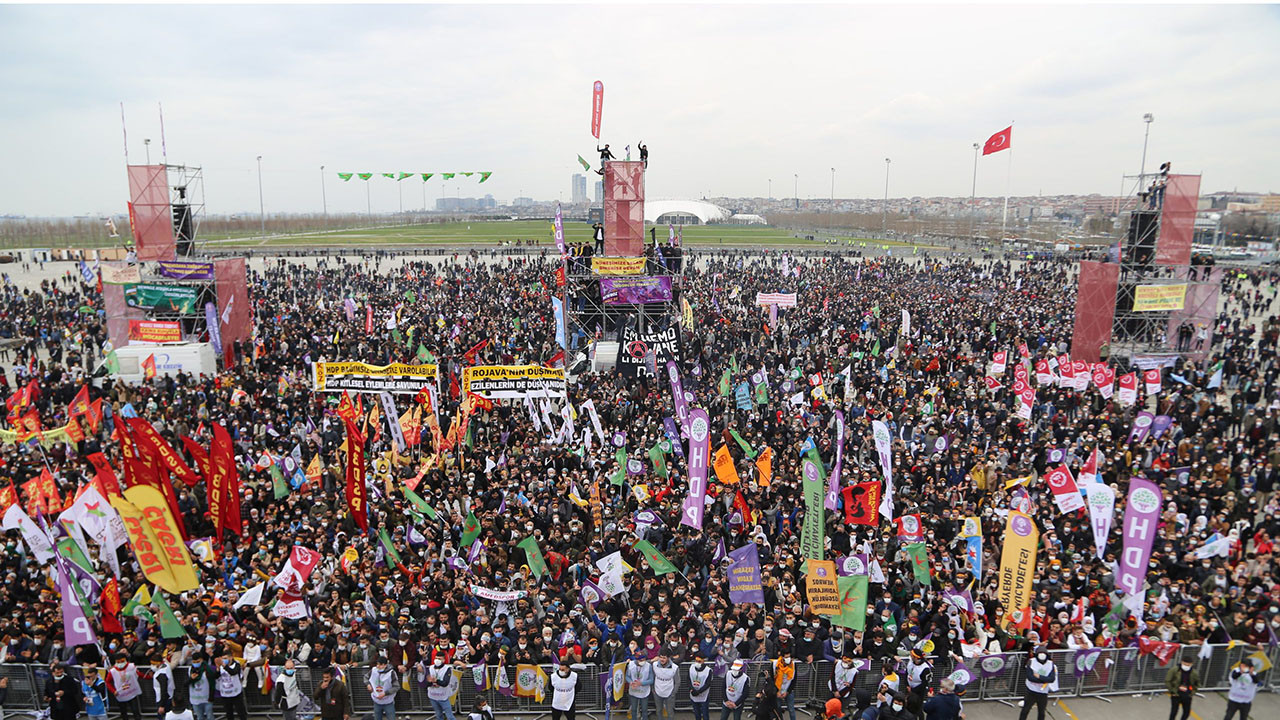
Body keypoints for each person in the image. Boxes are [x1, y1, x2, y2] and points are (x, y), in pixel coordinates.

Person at [1017, 648, 1056, 720]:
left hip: (1043, 692)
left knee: (1041, 712)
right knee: (1025, 710)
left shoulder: (1050, 664)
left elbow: (1052, 679)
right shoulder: (1031, 662)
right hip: (1031, 691)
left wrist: (1039, 677)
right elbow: (1030, 677)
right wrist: (1044, 680)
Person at [109, 655, 144, 720]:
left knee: (136, 711)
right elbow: (107, 682)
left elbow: (139, 674)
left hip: (132, 693)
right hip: (121, 694)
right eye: (118, 662)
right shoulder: (113, 671)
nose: (120, 664)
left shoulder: (131, 667)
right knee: (124, 713)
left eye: (122, 661)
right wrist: (113, 691)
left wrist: (148, 676)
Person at [215, 651, 247, 720]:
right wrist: (218, 668)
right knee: (229, 713)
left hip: (236, 693)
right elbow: (216, 676)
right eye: (223, 658)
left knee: (241, 712)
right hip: (225, 694)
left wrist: (224, 666)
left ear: (231, 657)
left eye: (226, 658)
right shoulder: (221, 666)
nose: (224, 660)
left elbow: (233, 672)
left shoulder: (236, 665)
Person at [1165, 656, 1199, 720]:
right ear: (1182, 662)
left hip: (1187, 694)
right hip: (1176, 693)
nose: (1186, 666)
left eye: (1188, 665)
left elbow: (1197, 683)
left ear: (1191, 664)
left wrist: (1192, 693)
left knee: (1187, 711)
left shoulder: (1194, 673)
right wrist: (1172, 691)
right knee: (1174, 711)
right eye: (1185, 664)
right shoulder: (1174, 670)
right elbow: (1168, 681)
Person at [424, 655, 457, 720]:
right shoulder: (430, 668)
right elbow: (426, 682)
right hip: (433, 696)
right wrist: (431, 683)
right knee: (438, 715)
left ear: (443, 660)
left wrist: (436, 681)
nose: (437, 660)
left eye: (439, 658)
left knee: (450, 716)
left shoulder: (447, 669)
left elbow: (445, 683)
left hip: (443, 697)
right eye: (436, 658)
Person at [367, 655, 400, 720]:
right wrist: (368, 684)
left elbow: (396, 687)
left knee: (391, 717)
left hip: (388, 701)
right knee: (377, 717)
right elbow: (366, 677)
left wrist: (385, 693)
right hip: (377, 700)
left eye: (380, 665)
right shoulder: (373, 670)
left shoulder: (391, 673)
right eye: (377, 664)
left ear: (385, 665)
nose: (378, 666)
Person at [187, 653, 217, 720]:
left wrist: (211, 697)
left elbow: (212, 683)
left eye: (198, 662)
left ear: (201, 660)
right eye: (194, 662)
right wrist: (191, 679)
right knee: (199, 717)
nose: (196, 663)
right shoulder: (190, 670)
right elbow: (185, 683)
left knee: (210, 717)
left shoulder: (207, 670)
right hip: (195, 699)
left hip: (207, 698)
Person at [652, 650, 679, 720]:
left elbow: (677, 682)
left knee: (670, 711)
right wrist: (653, 690)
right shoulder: (654, 665)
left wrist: (673, 693)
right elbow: (653, 677)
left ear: (668, 658)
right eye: (660, 657)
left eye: (664, 658)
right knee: (658, 710)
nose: (662, 659)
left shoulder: (674, 667)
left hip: (669, 692)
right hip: (657, 692)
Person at [626, 654, 654, 720]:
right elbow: (627, 676)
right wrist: (630, 682)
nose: (642, 661)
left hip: (644, 691)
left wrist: (641, 683)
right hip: (633, 690)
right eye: (640, 660)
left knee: (644, 709)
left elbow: (651, 680)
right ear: (637, 660)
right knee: (634, 709)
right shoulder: (631, 665)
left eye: (644, 660)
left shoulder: (648, 666)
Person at [773, 649, 797, 720]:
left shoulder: (793, 665)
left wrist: (788, 691)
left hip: (788, 690)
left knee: (791, 709)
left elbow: (794, 680)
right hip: (777, 690)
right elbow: (772, 678)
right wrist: (777, 691)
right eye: (786, 657)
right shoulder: (775, 664)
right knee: (777, 709)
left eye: (789, 657)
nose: (788, 659)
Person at [689, 653, 713, 720]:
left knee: (705, 714)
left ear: (703, 661)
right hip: (693, 693)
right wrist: (692, 689)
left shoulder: (708, 670)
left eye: (699, 661)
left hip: (704, 695)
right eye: (696, 661)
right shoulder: (691, 667)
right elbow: (688, 679)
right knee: (696, 713)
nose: (697, 663)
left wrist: (698, 692)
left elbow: (708, 684)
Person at [152, 655, 174, 720]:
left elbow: (163, 689)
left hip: (163, 699)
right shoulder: (166, 665)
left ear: (159, 663)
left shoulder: (162, 674)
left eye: (154, 664)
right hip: (169, 695)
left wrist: (161, 705)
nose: (152, 665)